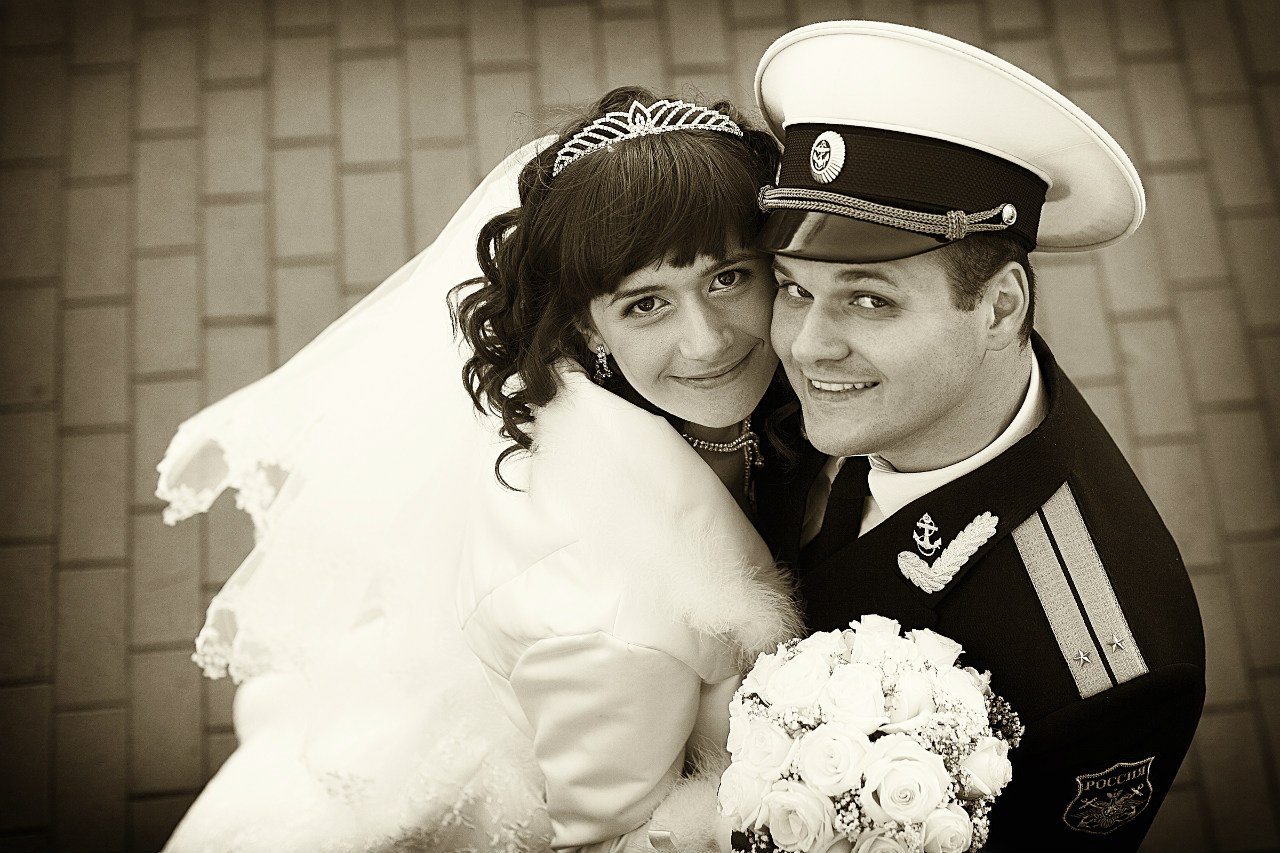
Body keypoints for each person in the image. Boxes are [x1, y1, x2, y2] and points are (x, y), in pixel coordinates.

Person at [158, 87, 800, 853]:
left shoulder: (700, 401)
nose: (707, 341)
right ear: (588, 326)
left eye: (727, 278)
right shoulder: (605, 619)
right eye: (645, 304)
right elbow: (609, 834)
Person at [749, 21, 1205, 852]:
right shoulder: (796, 393)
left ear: (1000, 307)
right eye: (793, 287)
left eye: (870, 300)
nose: (806, 347)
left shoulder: (1103, 671)